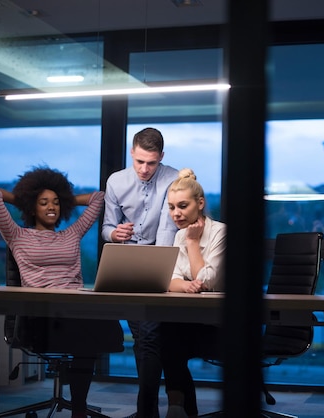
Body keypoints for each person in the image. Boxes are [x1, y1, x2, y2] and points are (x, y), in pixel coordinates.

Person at [0, 166, 124, 418]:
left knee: (94, 322)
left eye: (56, 203)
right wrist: (26, 200)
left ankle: (78, 407)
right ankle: (79, 403)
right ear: (32, 207)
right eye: (44, 202)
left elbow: (98, 198)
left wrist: (65, 199)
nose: (52, 207)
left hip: (75, 309)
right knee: (87, 332)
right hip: (41, 314)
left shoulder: (71, 234)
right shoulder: (16, 235)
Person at [101, 127, 179, 418]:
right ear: (131, 153)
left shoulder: (173, 178)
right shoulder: (116, 182)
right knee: (146, 336)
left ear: (161, 158)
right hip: (128, 263)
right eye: (140, 162)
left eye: (152, 163)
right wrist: (115, 233)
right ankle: (152, 409)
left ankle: (149, 409)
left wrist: (161, 274)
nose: (145, 169)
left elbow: (167, 230)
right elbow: (106, 228)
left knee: (151, 335)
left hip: (163, 260)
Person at [160, 168, 227, 418]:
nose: (176, 214)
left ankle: (177, 408)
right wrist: (186, 285)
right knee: (167, 330)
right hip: (190, 321)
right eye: (171, 207)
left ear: (200, 204)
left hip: (221, 325)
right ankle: (177, 408)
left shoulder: (221, 233)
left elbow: (207, 280)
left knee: (169, 336)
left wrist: (192, 242)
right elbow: (171, 279)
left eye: (183, 206)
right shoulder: (179, 234)